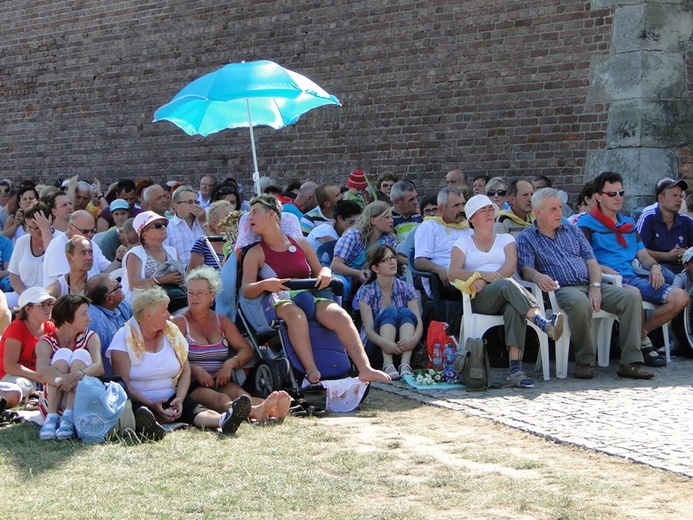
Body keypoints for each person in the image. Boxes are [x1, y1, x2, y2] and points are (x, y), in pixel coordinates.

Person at [241, 194, 390, 385]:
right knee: (296, 316)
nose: (249, 218)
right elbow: (246, 289)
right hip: (279, 299)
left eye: (254, 212)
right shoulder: (255, 253)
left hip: (309, 294)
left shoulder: (300, 244)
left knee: (340, 316)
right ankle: (311, 371)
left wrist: (326, 273)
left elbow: (321, 269)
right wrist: (264, 284)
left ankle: (365, 369)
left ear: (272, 214)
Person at [517, 188, 654, 380]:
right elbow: (526, 269)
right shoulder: (527, 238)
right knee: (580, 303)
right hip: (561, 289)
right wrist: (538, 277)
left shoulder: (572, 230)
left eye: (560, 208)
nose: (559, 213)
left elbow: (591, 262)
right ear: (538, 212)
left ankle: (630, 362)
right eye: (553, 209)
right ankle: (585, 361)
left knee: (630, 297)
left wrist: (595, 287)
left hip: (590, 283)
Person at [448, 194, 563, 389]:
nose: (488, 213)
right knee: (508, 285)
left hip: (507, 292)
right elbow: (452, 273)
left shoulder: (505, 238)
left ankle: (516, 370)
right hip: (480, 297)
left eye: (490, 209)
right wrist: (483, 276)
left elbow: (510, 267)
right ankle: (541, 321)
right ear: (471, 218)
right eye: (482, 210)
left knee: (513, 306)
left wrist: (492, 280)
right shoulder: (463, 242)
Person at [108, 286, 252, 438]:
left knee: (195, 409)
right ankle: (150, 425)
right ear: (148, 314)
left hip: (171, 396)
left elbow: (185, 370)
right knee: (140, 411)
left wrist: (180, 399)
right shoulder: (123, 337)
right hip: (139, 399)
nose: (169, 315)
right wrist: (150, 404)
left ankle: (224, 420)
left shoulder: (172, 332)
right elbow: (122, 382)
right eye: (164, 311)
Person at [578, 171, 688, 365]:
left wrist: (654, 267)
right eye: (612, 194)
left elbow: (643, 255)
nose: (618, 198)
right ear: (597, 196)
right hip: (606, 280)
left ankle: (639, 336)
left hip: (632, 276)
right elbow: (584, 258)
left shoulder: (628, 223)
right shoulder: (585, 224)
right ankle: (642, 347)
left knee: (680, 297)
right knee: (634, 292)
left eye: (621, 193)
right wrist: (604, 269)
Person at [172, 267, 291, 422]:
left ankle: (271, 410)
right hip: (192, 383)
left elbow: (246, 349)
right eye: (191, 293)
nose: (194, 297)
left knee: (242, 396)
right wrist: (195, 370)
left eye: (200, 293)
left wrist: (230, 364)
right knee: (221, 400)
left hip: (220, 378)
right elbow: (169, 358)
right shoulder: (179, 322)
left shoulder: (222, 321)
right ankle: (258, 413)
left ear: (212, 295)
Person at [36, 294, 104, 440]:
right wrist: (64, 380)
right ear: (68, 318)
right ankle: (52, 417)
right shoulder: (45, 341)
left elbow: (99, 367)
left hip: (79, 400)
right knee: (63, 353)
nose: (89, 319)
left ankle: (68, 415)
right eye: (84, 314)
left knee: (79, 353)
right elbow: (41, 370)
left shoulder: (91, 337)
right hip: (53, 399)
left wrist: (77, 375)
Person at [356, 245, 422, 380]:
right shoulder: (366, 291)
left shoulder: (406, 287)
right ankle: (388, 364)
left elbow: (418, 321)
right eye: (386, 260)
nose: (392, 262)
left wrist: (413, 340)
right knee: (390, 311)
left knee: (405, 312)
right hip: (377, 346)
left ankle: (405, 364)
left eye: (393, 258)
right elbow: (368, 330)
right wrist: (384, 343)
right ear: (375, 268)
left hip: (403, 345)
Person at [0, 288, 57, 409]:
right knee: (16, 392)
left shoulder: (50, 327)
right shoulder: (16, 328)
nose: (48, 308)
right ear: (28, 309)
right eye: (43, 305)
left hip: (37, 377)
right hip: (13, 376)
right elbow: (10, 366)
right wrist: (40, 377)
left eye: (50, 304)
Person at [330, 201, 396, 300]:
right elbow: (336, 265)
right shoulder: (353, 235)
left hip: (374, 276)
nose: (391, 220)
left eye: (391, 217)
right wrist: (358, 273)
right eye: (386, 217)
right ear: (373, 220)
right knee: (340, 284)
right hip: (347, 275)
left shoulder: (389, 240)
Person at [122, 211, 186, 311]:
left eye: (164, 224)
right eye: (157, 225)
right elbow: (133, 285)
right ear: (144, 234)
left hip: (172, 302)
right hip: (142, 307)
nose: (163, 227)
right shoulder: (135, 254)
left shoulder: (172, 251)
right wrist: (161, 280)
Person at [413, 187, 470, 298]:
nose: (462, 209)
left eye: (463, 204)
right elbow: (419, 261)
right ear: (441, 209)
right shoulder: (429, 227)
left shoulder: (468, 227)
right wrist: (439, 270)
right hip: (444, 282)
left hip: (471, 276)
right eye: (456, 206)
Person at [43, 210, 123, 286]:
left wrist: (118, 258)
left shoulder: (91, 243)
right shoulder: (58, 246)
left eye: (93, 231)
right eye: (85, 231)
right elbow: (68, 283)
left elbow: (107, 271)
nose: (90, 235)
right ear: (71, 228)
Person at [636, 178, 693, 280]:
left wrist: (685, 252)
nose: (679, 199)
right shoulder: (648, 218)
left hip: (684, 268)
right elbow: (637, 250)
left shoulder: (687, 221)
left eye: (680, 196)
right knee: (673, 278)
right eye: (674, 195)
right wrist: (667, 256)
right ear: (661, 198)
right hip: (655, 268)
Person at [86, 273, 133, 377]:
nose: (122, 287)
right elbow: (96, 363)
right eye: (119, 287)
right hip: (112, 378)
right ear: (109, 299)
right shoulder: (95, 322)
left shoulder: (121, 303)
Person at [8, 201, 55, 297]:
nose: (30, 231)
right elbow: (13, 274)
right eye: (28, 227)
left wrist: (45, 230)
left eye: (36, 228)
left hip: (49, 295)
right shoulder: (22, 241)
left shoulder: (59, 240)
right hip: (23, 294)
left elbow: (53, 260)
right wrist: (24, 293)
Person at [165, 185, 207, 268]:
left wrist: (204, 222)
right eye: (190, 202)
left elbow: (215, 246)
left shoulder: (203, 223)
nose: (195, 206)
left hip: (206, 272)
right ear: (176, 206)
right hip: (181, 274)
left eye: (197, 202)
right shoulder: (167, 227)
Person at [188, 200, 234, 272]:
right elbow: (191, 275)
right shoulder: (203, 243)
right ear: (214, 224)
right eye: (227, 218)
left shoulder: (238, 243)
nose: (232, 222)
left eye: (233, 217)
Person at [390, 180, 422, 245]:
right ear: (397, 202)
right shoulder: (388, 219)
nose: (416, 202)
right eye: (411, 200)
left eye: (416, 198)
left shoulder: (420, 215)